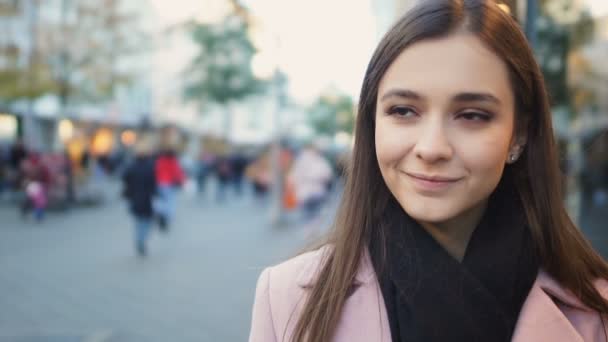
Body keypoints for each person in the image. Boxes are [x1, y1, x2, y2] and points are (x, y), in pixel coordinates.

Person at [248, 1, 608, 342]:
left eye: (472, 115)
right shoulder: (287, 298)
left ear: (519, 135)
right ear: (372, 123)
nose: (432, 148)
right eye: (403, 111)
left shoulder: (596, 312)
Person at [122, 139, 157, 256]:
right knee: (146, 221)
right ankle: (142, 239)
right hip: (147, 197)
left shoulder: (132, 166)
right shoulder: (150, 166)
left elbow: (125, 178)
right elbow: (154, 182)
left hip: (135, 197)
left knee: (139, 221)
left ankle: (139, 239)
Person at [155, 147, 185, 230]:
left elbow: (156, 171)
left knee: (161, 200)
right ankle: (167, 216)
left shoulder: (160, 161)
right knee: (170, 201)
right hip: (170, 184)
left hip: (160, 183)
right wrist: (181, 182)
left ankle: (161, 213)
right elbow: (177, 173)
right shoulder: (173, 162)